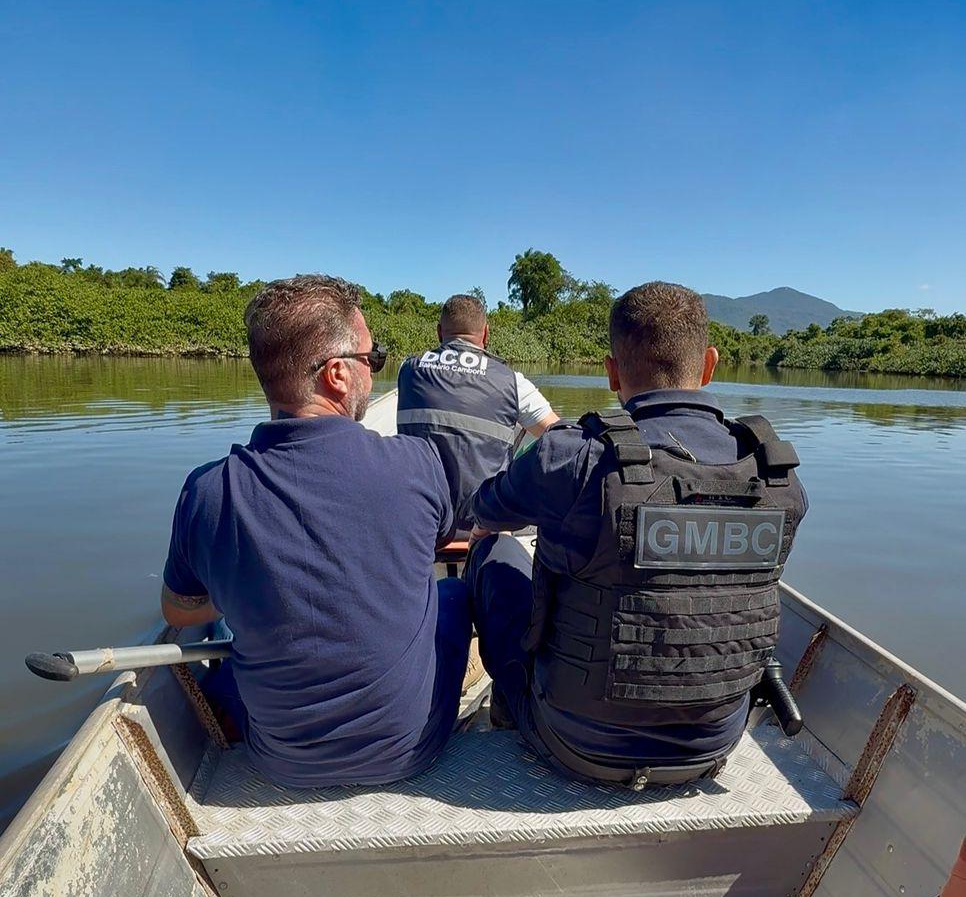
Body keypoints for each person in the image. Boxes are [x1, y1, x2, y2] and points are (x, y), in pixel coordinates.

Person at [465, 281, 808, 787]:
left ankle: (509, 712)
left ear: (610, 372)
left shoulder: (572, 455)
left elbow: (487, 508)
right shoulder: (779, 476)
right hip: (716, 744)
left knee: (492, 554)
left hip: (574, 741)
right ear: (709, 364)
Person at [160, 274, 471, 788]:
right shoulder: (416, 463)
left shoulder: (208, 491)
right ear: (338, 375)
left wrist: (247, 587)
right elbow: (434, 544)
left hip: (280, 762)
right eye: (373, 360)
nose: (375, 374)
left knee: (220, 631)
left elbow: (176, 611)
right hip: (409, 754)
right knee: (455, 592)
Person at [396, 293, 559, 538]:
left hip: (419, 524)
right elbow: (559, 441)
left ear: (440, 332)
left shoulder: (407, 371)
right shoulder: (513, 382)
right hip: (484, 526)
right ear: (485, 333)